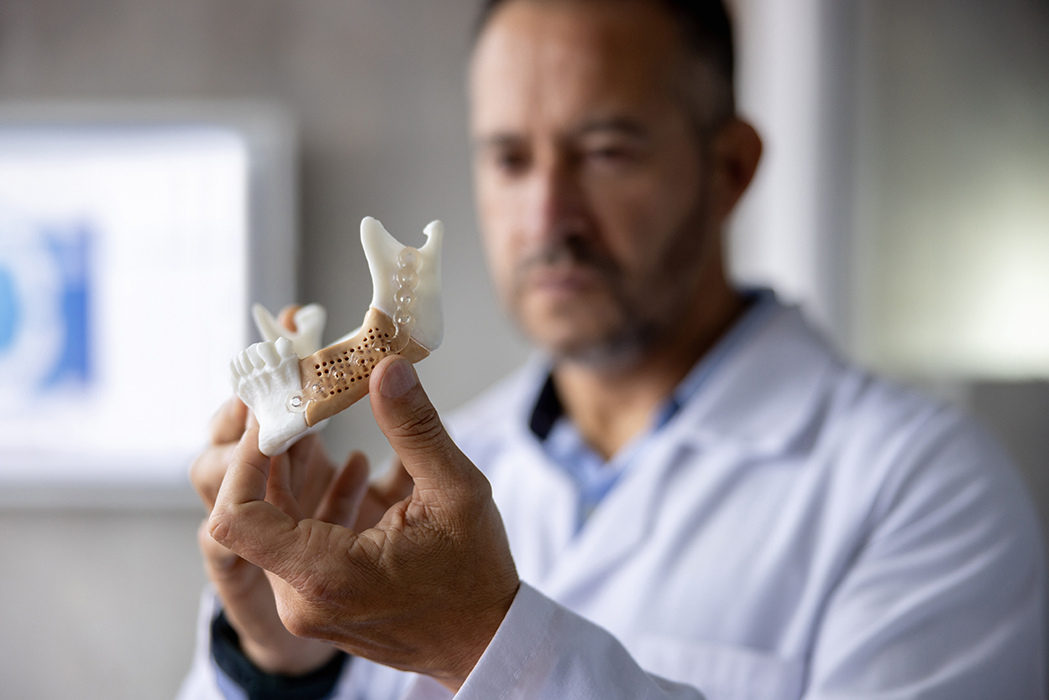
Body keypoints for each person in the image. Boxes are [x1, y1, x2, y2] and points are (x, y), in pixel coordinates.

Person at [178, 0, 1047, 698]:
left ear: (730, 168)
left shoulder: (924, 491)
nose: (547, 217)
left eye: (603, 152)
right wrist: (284, 666)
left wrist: (480, 641)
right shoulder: (423, 478)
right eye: (509, 159)